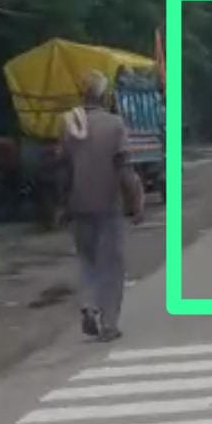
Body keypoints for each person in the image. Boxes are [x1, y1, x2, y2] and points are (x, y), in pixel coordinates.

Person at [59, 70, 141, 342]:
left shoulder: (69, 124)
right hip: (108, 205)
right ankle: (108, 324)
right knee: (112, 265)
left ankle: (89, 305)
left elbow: (64, 169)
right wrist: (135, 203)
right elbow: (124, 169)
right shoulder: (114, 125)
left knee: (87, 260)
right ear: (105, 96)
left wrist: (63, 205)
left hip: (78, 205)